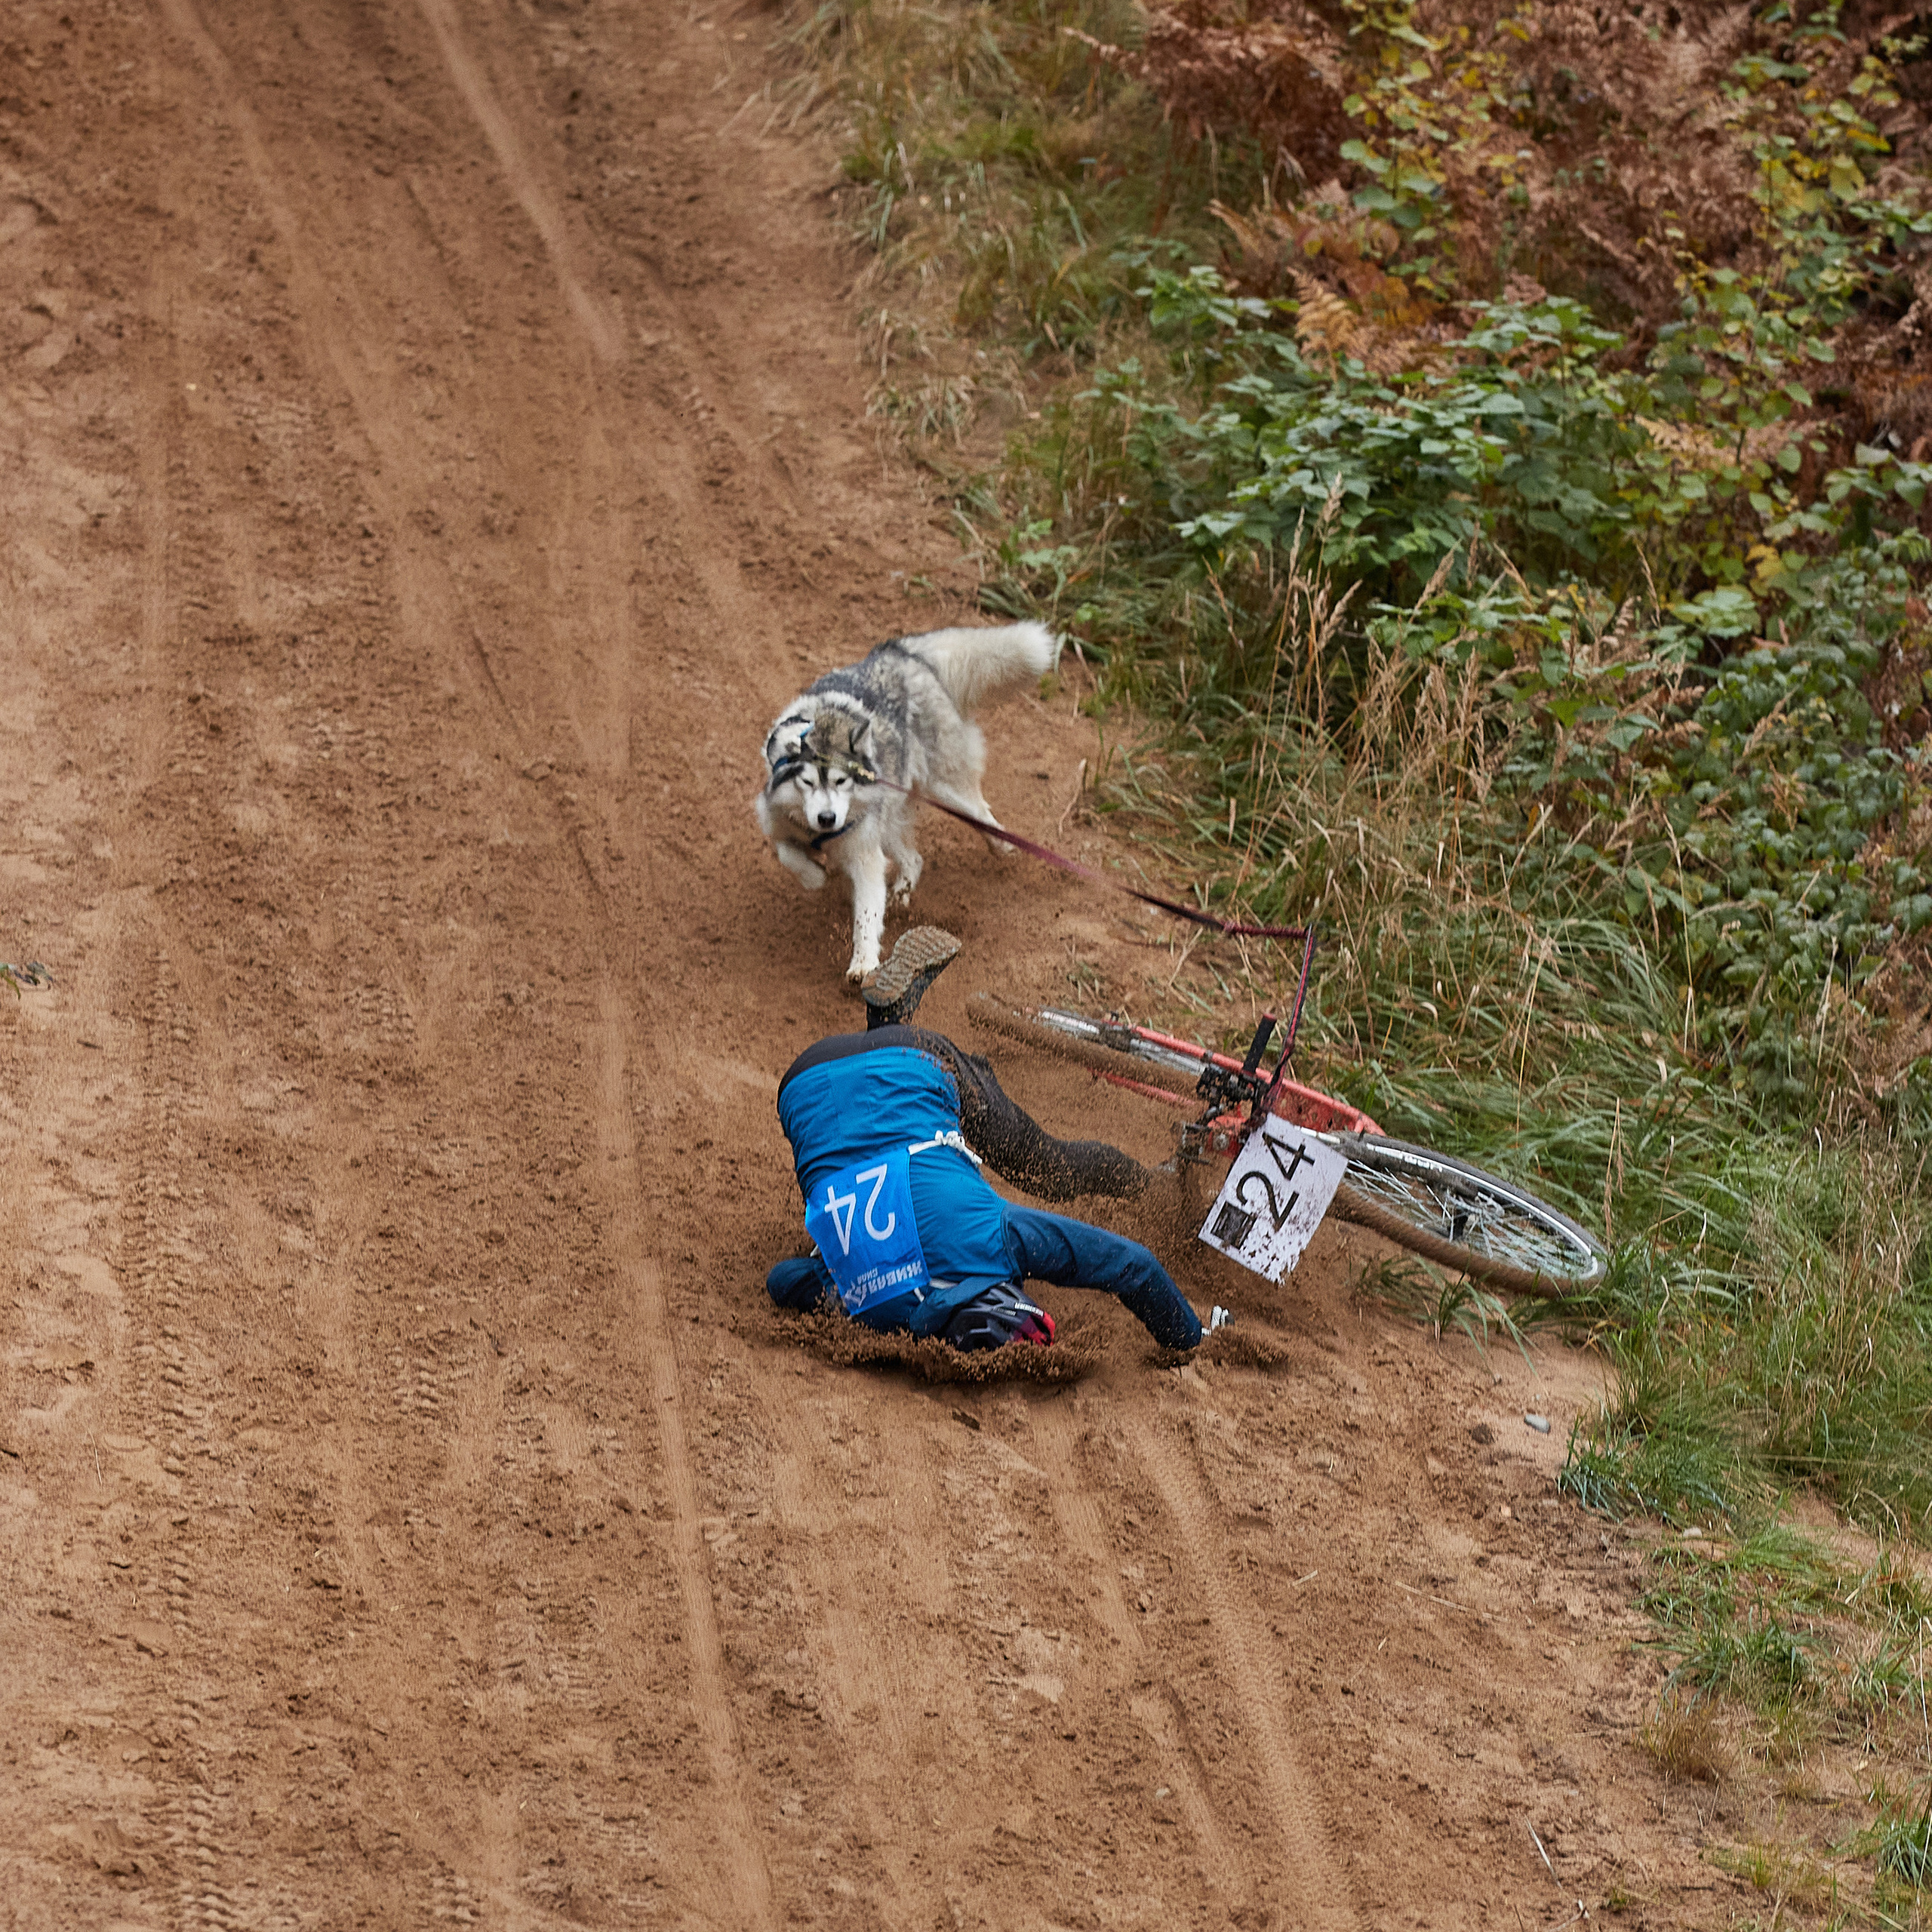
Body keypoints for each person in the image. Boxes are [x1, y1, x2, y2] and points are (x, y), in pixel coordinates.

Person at [766, 928, 1204, 1353]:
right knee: (1001, 1153)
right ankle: (885, 1026)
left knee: (1045, 1164)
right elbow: (783, 1280)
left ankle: (1150, 1189)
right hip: (805, 1091)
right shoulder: (865, 1305)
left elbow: (1136, 1266)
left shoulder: (996, 1239)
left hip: (896, 1063)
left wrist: (1189, 1338)